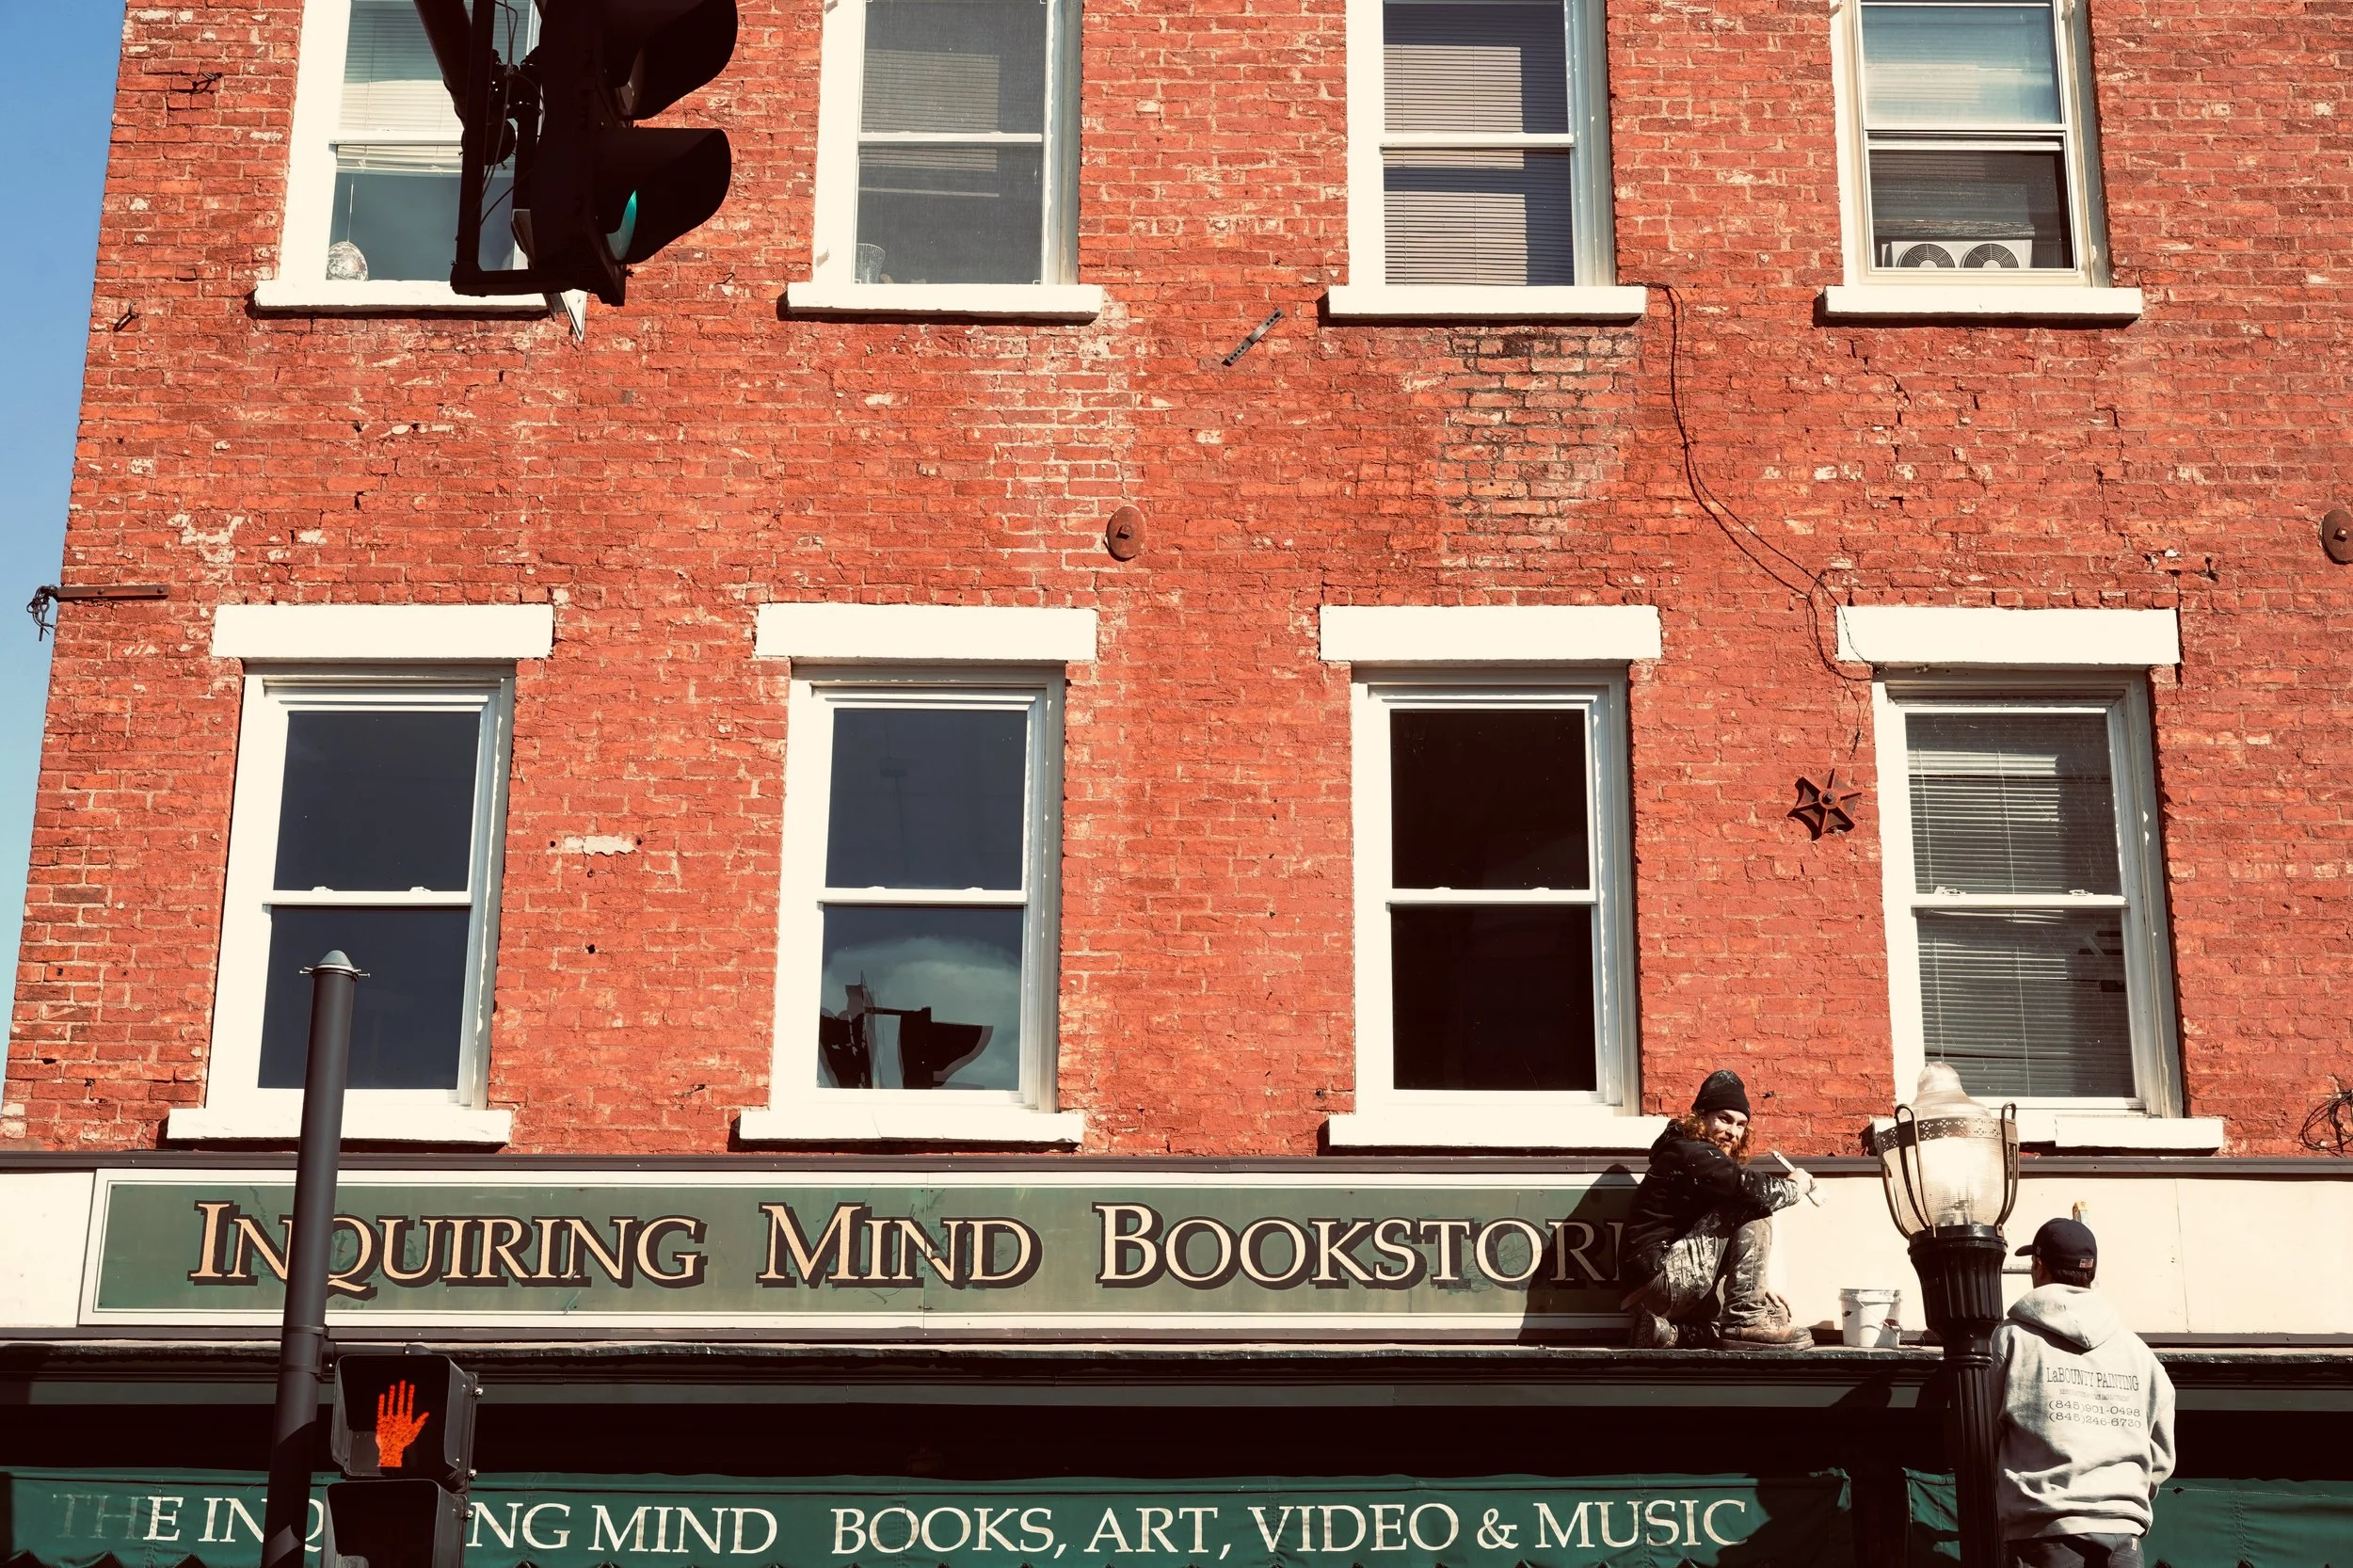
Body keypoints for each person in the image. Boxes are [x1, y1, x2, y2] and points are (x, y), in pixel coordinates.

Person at [1995, 1218, 2176, 1568]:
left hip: (2045, 1529)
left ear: (2038, 1265)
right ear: (2090, 1273)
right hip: (2124, 1534)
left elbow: (1982, 1431)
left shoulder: (2012, 1339)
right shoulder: (2138, 1352)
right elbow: (2162, 1454)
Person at [1620, 1069, 1816, 1348]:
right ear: (1701, 1117)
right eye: (1724, 1119)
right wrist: (1796, 1185)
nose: (1733, 1132)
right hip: (1659, 1281)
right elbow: (1753, 1190)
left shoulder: (1696, 1159)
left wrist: (1757, 1283)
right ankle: (1744, 1321)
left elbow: (1711, 1238)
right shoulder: (1691, 1152)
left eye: (1740, 1124)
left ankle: (1668, 1333)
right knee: (1753, 1204)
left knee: (1777, 1316)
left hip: (1657, 1293)